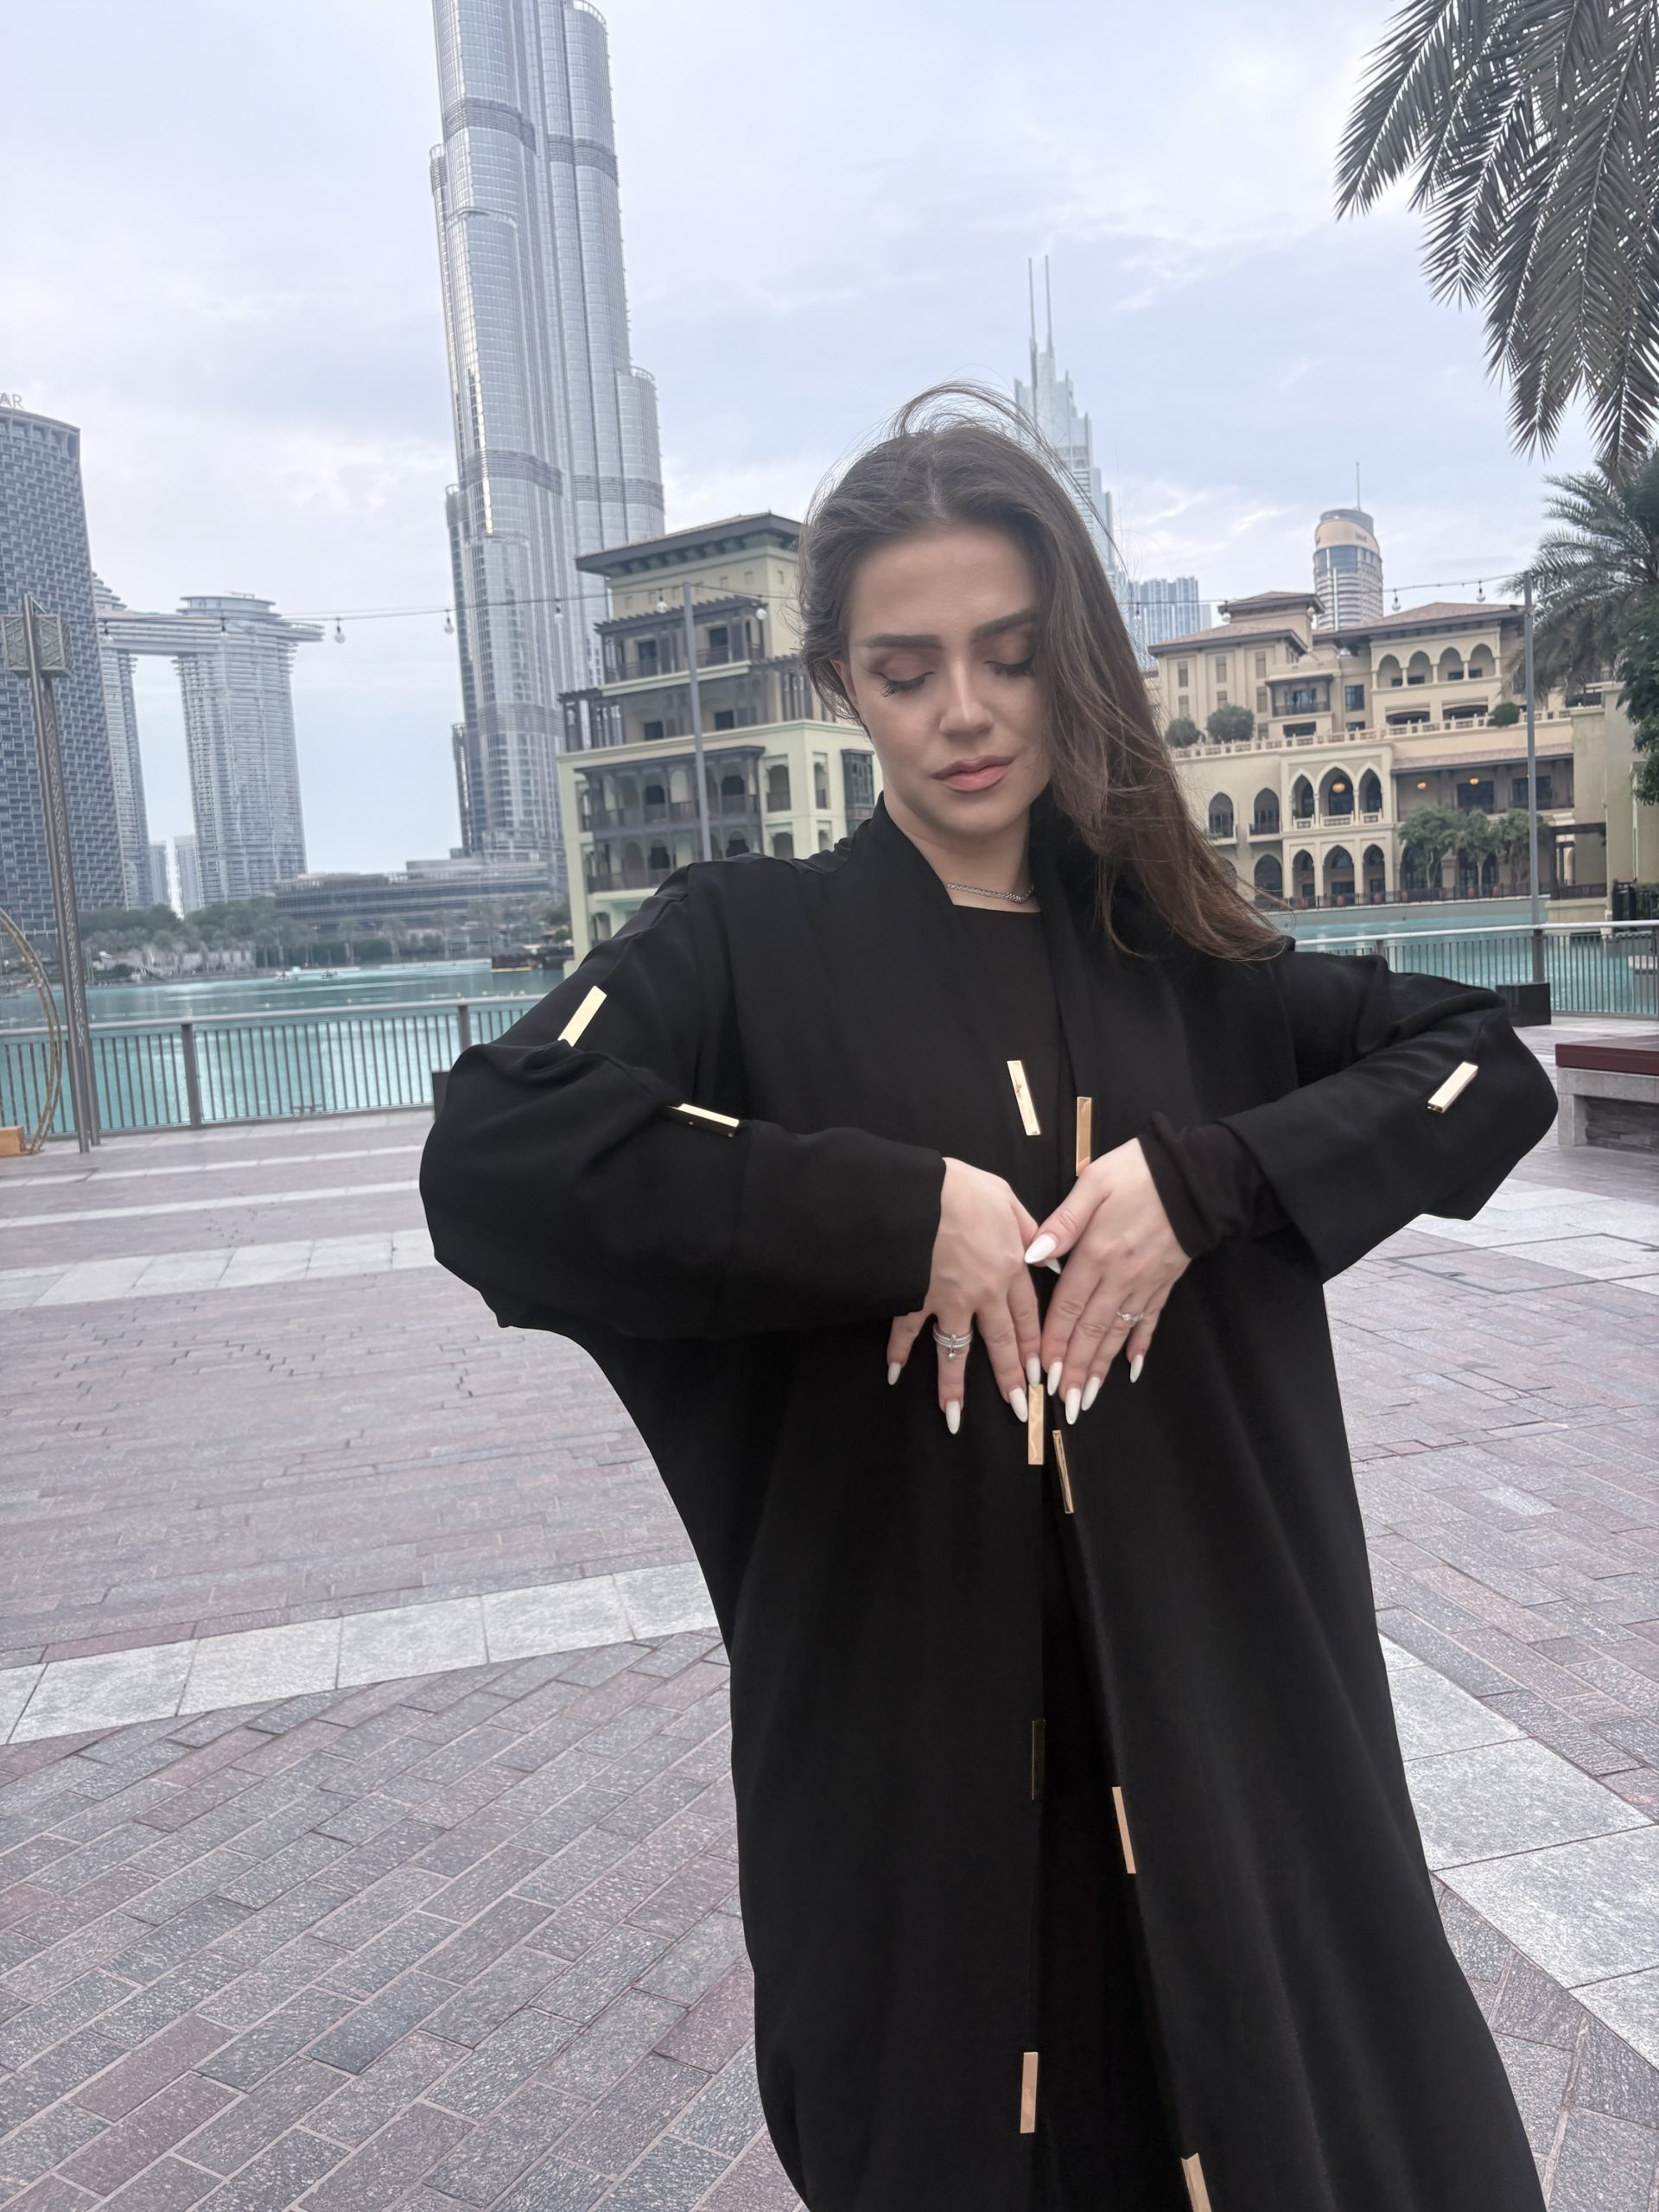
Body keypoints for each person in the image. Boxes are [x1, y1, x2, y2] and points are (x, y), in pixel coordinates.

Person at [421, 388, 1558, 2212]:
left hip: (1228, 1735)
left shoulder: (1181, 961)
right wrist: (890, 1211)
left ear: (1071, 660)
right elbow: (496, 1151)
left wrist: (1208, 1182)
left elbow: (1482, 1063)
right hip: (912, 1774)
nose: (964, 710)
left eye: (1012, 657)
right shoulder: (744, 947)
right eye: (907, 668)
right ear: (841, 684)